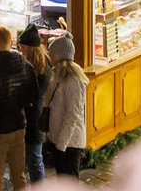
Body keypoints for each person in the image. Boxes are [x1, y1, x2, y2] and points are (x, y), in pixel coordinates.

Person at [0, 25, 39, 190]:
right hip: (19, 126)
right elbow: (33, 97)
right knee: (19, 175)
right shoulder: (26, 66)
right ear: (12, 42)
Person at [40, 36, 88, 176]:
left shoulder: (74, 80)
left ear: (61, 55)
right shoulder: (57, 75)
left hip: (69, 143)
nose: (50, 56)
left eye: (52, 53)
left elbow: (72, 115)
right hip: (58, 140)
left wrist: (61, 144)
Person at [18, 25, 50, 183]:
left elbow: (34, 95)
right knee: (28, 158)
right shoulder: (28, 64)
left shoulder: (42, 68)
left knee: (35, 158)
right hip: (26, 117)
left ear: (29, 48)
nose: (20, 49)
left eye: (22, 46)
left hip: (34, 119)